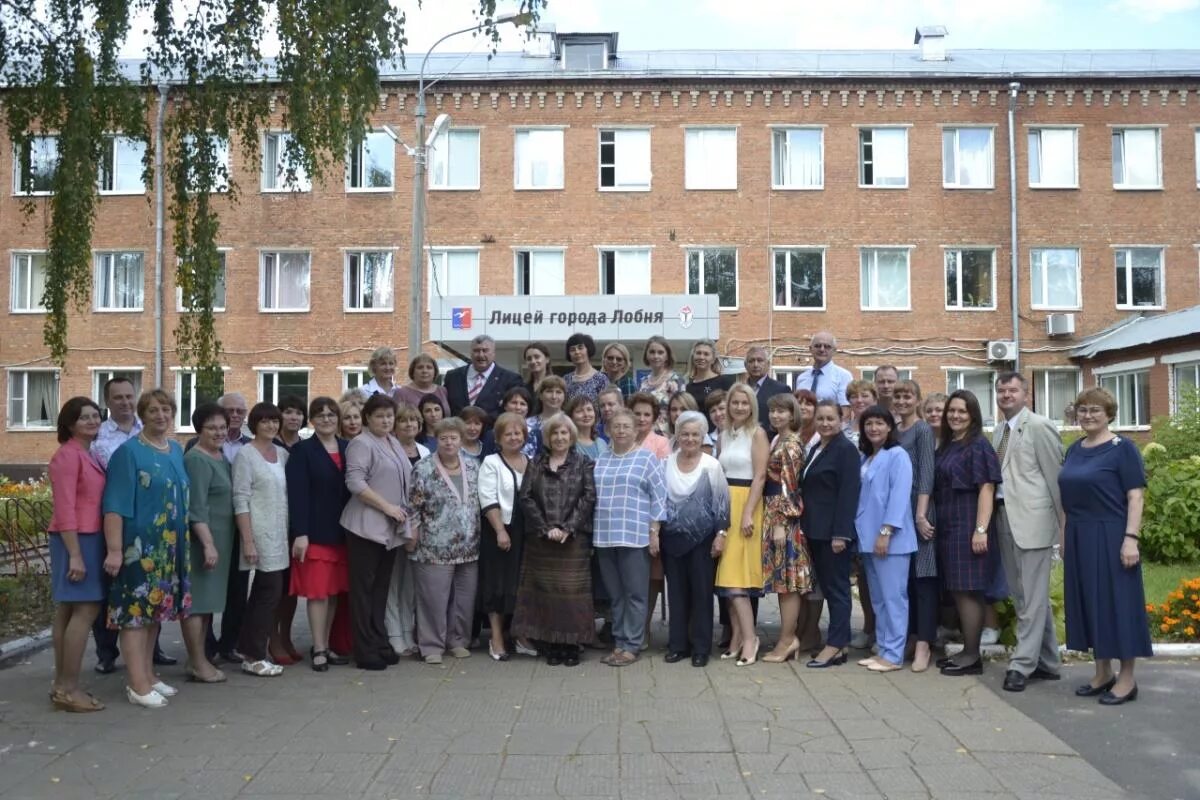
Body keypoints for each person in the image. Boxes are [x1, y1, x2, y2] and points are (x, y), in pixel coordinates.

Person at [1060, 387, 1152, 706]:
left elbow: (1135, 496)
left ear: (1109, 414)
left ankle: (1126, 680)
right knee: (1089, 603)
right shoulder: (1074, 450)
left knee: (1117, 604)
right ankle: (1102, 673)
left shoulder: (1122, 449)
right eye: (1083, 409)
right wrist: (1064, 537)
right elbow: (1067, 499)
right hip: (1078, 534)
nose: (1087, 415)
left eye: (1095, 410)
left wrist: (1131, 539)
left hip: (1112, 534)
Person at [101, 389, 191, 708]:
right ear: (142, 414)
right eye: (153, 410)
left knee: (155, 612)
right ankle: (136, 684)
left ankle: (149, 675)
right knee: (135, 615)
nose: (161, 415)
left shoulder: (175, 451)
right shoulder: (128, 453)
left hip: (169, 548)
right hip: (139, 548)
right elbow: (114, 505)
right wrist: (114, 550)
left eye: (166, 409)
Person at [91, 377, 175, 673]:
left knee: (152, 599)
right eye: (118, 398)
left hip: (156, 533)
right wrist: (114, 546)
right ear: (108, 401)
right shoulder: (99, 437)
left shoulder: (156, 438)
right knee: (122, 597)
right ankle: (108, 654)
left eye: (129, 397)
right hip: (120, 524)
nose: (125, 403)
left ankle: (149, 660)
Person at [992, 372, 1065, 693]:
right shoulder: (998, 431)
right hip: (1004, 518)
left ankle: (1022, 664)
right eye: (1001, 390)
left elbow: (1056, 479)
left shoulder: (1039, 426)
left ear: (1026, 394)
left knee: (1031, 597)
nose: (1006, 395)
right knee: (1024, 595)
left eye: (1013, 390)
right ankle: (1048, 662)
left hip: (1033, 522)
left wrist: (1064, 527)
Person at [514, 413, 598, 666]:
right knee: (546, 594)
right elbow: (526, 497)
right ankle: (551, 644)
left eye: (564, 433)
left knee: (572, 595)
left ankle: (571, 645)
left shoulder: (583, 462)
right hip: (542, 542)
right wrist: (545, 527)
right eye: (555, 433)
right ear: (547, 437)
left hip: (573, 542)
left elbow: (589, 497)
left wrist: (568, 528)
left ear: (571, 436)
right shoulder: (536, 463)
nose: (560, 437)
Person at [933, 390, 1002, 677]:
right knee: (958, 591)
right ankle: (966, 650)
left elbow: (987, 488)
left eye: (962, 411)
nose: (956, 416)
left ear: (972, 415)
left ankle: (973, 656)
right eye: (952, 411)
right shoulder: (949, 444)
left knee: (967, 591)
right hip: (949, 524)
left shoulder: (978, 446)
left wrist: (980, 529)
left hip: (968, 523)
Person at [340, 394, 412, 670]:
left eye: (389, 416)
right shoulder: (361, 442)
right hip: (365, 527)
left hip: (389, 530)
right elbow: (355, 483)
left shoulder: (392, 441)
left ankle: (379, 640)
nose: (386, 420)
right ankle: (364, 648)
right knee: (363, 591)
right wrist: (388, 508)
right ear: (367, 417)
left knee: (380, 589)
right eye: (380, 415)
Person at [594, 409, 668, 667]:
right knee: (615, 595)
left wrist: (655, 531)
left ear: (636, 430)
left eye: (627, 426)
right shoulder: (602, 459)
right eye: (617, 426)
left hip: (635, 536)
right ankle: (619, 642)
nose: (622, 430)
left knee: (635, 594)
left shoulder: (646, 459)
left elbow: (660, 497)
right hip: (604, 536)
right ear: (609, 430)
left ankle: (632, 645)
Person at [47, 397, 107, 712]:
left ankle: (61, 685)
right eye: (84, 417)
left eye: (95, 416)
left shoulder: (86, 453)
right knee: (85, 611)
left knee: (69, 612)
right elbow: (65, 508)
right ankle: (69, 688)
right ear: (70, 423)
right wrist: (75, 555)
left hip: (85, 539)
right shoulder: (68, 457)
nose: (92, 421)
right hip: (76, 540)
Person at [286, 397, 352, 672]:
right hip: (314, 532)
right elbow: (297, 495)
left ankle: (324, 644)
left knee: (334, 592)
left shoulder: (350, 447)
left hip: (344, 532)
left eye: (331, 414)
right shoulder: (302, 451)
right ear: (311, 420)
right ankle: (320, 648)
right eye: (320, 415)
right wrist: (301, 533)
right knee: (318, 593)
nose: (326, 419)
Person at [408, 418, 481, 665]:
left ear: (461, 439)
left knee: (464, 598)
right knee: (433, 598)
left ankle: (458, 640)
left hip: (469, 545)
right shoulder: (423, 467)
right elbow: (413, 504)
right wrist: (413, 532)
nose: (449, 442)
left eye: (454, 437)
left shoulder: (473, 466)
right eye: (444, 438)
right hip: (434, 544)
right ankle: (431, 646)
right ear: (436, 440)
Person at [661, 411, 729, 667]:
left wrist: (721, 535)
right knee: (677, 594)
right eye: (685, 434)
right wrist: (655, 531)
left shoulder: (711, 465)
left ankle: (701, 648)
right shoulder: (665, 462)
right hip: (672, 539)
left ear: (703, 437)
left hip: (703, 540)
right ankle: (677, 645)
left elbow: (722, 504)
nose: (690, 439)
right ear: (677, 435)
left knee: (702, 594)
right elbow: (659, 501)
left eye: (695, 434)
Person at [854, 406, 916, 673]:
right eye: (869, 424)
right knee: (878, 599)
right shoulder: (867, 457)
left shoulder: (897, 455)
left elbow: (899, 496)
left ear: (890, 427)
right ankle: (884, 648)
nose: (873, 428)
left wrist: (886, 531)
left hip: (890, 540)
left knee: (893, 598)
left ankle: (894, 655)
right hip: (868, 539)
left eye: (879, 423)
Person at [801, 400, 861, 669]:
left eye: (831, 419)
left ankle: (835, 645)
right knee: (828, 587)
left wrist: (841, 534)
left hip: (832, 534)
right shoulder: (818, 447)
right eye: (821, 418)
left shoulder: (845, 450)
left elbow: (849, 493)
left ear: (842, 420)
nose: (825, 423)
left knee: (837, 590)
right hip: (815, 529)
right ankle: (841, 644)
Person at [232, 403, 290, 677]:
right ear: (254, 424)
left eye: (274, 421)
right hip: (259, 533)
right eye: (265, 421)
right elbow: (240, 498)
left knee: (267, 594)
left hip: (281, 532)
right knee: (267, 593)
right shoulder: (246, 455)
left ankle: (247, 649)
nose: (271, 426)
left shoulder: (281, 453)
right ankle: (254, 656)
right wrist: (248, 540)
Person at [715, 383, 769, 666]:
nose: (739, 407)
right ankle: (736, 637)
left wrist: (748, 512)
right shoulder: (724, 434)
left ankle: (751, 639)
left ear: (752, 406)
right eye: (734, 402)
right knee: (727, 578)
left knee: (738, 582)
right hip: (727, 503)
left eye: (744, 403)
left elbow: (760, 476)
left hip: (747, 504)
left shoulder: (757, 434)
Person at [181, 403, 235, 684]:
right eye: (211, 427)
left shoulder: (220, 456)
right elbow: (196, 507)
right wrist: (208, 544)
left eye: (222, 427)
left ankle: (197, 659)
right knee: (197, 604)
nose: (218, 432)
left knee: (207, 605)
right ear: (199, 429)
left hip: (221, 540)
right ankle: (198, 662)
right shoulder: (197, 459)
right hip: (204, 542)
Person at [760, 393, 814, 663]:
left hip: (784, 518)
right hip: (771, 512)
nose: (776, 415)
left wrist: (781, 522)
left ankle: (787, 640)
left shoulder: (791, 445)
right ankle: (787, 638)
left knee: (787, 582)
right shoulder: (778, 440)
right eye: (772, 411)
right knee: (782, 581)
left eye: (782, 411)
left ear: (793, 415)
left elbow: (789, 487)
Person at [893, 380, 938, 672]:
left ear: (917, 399)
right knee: (905, 579)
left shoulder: (921, 430)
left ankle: (925, 643)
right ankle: (910, 637)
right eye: (897, 396)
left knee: (924, 578)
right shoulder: (895, 431)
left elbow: (926, 473)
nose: (901, 400)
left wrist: (921, 515)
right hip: (899, 512)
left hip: (919, 510)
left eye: (907, 395)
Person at [203, 392, 252, 665]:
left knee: (237, 590)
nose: (235, 416)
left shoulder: (249, 446)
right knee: (208, 589)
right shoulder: (200, 447)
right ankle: (206, 646)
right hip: (211, 529)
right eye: (229, 411)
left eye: (239, 411)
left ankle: (229, 644)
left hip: (240, 528)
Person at [477, 413, 531, 661]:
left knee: (519, 585)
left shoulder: (530, 460)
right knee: (497, 584)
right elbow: (487, 498)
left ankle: (519, 634)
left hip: (525, 532)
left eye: (517, 433)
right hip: (499, 530)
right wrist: (500, 530)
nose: (513, 437)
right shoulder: (491, 462)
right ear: (498, 438)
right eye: (507, 433)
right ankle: (496, 638)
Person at [270, 394, 306, 665]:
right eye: (288, 412)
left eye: (298, 413)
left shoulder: (304, 447)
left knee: (291, 588)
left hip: (297, 524)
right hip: (273, 522)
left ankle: (287, 635)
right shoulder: (269, 445)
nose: (293, 417)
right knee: (274, 586)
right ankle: (271, 638)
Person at [445, 334, 523, 418]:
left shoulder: (510, 380)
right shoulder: (453, 377)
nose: (481, 355)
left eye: (485, 350)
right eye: (476, 350)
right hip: (458, 429)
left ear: (493, 353)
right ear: (470, 353)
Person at [638, 335, 685, 435]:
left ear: (667, 356)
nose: (656, 356)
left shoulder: (676, 381)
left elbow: (682, 412)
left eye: (660, 352)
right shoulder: (643, 382)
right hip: (646, 436)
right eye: (652, 352)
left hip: (668, 436)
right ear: (646, 354)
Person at [793, 331, 853, 409]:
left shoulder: (843, 376)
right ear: (810, 349)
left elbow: (845, 411)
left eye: (827, 346)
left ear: (834, 351)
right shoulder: (801, 378)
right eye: (817, 346)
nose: (822, 349)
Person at [685, 339, 735, 427]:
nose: (701, 357)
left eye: (706, 354)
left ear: (713, 359)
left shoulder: (725, 382)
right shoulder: (688, 387)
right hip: (697, 434)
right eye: (698, 353)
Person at [743, 346, 792, 435]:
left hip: (769, 442)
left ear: (768, 364)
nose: (755, 365)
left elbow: (788, 422)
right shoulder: (739, 390)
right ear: (745, 365)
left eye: (760, 360)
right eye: (751, 361)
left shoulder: (781, 389)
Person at [527, 376, 568, 455]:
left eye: (558, 392)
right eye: (549, 391)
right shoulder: (528, 424)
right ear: (540, 396)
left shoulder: (572, 422)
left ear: (564, 396)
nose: (554, 396)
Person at [564, 333, 609, 401]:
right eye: (572, 349)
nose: (577, 352)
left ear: (588, 349)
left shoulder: (601, 379)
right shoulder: (565, 380)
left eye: (580, 348)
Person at [565, 394, 610, 460]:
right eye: (579, 411)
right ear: (571, 417)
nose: (586, 414)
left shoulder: (602, 443)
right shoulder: (568, 444)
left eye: (589, 409)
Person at [630, 391, 671, 460]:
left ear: (653, 418)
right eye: (637, 414)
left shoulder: (662, 443)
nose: (641, 419)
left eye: (647, 415)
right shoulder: (623, 440)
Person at [844, 380, 878, 445]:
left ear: (875, 399)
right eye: (854, 397)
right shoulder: (842, 429)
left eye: (864, 396)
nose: (859, 400)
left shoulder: (883, 428)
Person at [522, 342, 553, 413]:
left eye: (537, 357)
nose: (533, 361)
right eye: (529, 359)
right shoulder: (524, 387)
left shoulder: (556, 385)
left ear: (547, 359)